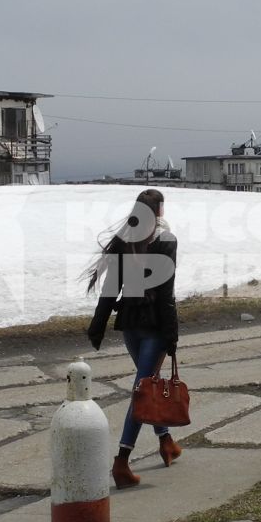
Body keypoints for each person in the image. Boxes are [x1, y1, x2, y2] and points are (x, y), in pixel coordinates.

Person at [85, 188, 180, 488]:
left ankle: (166, 441)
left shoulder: (126, 239)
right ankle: (122, 462)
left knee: (146, 384)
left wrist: (98, 325)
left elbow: (111, 288)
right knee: (143, 389)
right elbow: (165, 293)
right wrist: (172, 335)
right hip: (152, 327)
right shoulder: (166, 240)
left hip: (129, 325)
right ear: (161, 211)